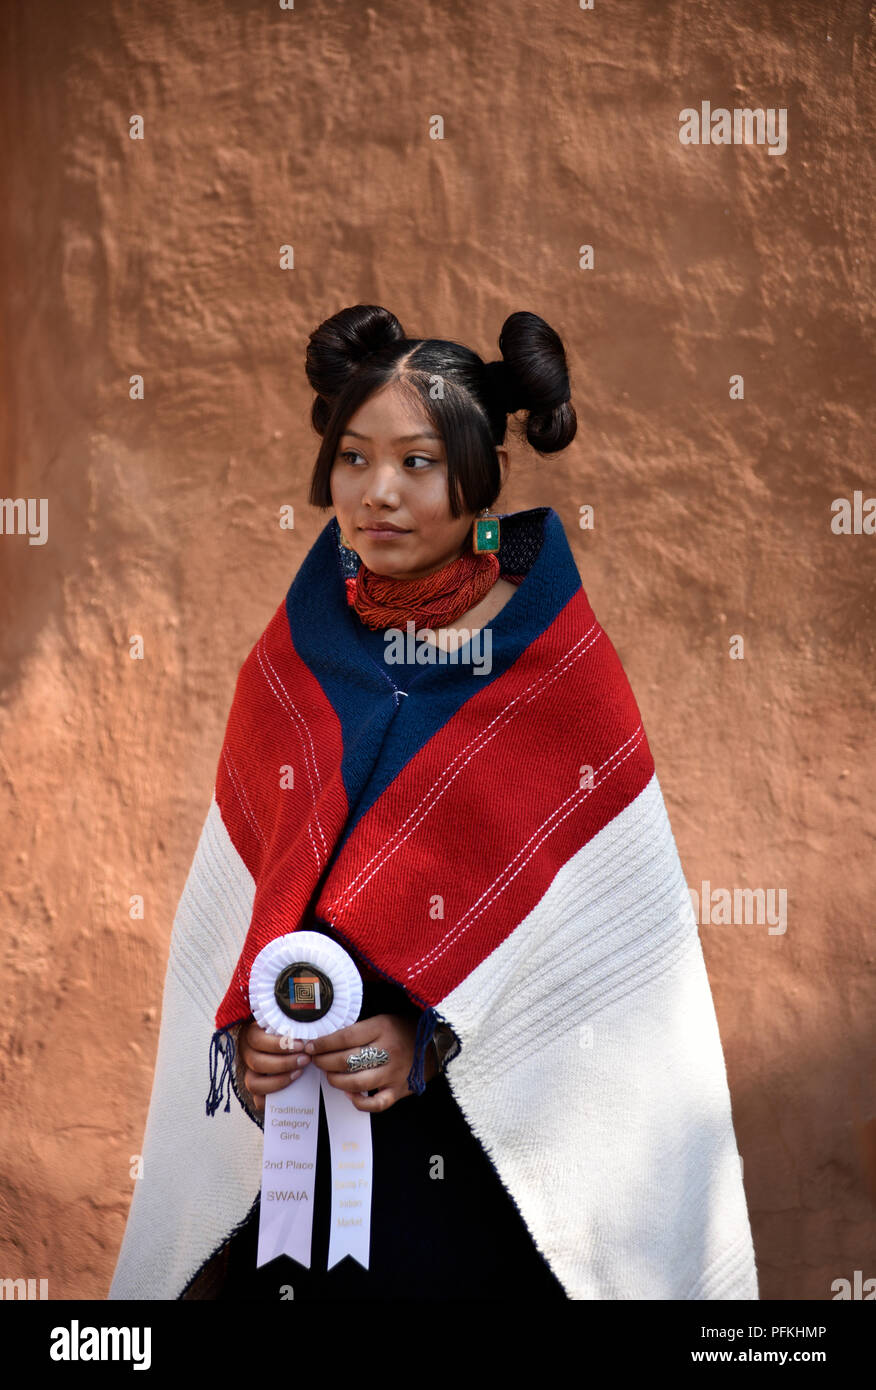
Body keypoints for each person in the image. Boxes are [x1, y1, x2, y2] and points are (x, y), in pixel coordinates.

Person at [109, 304, 759, 1302]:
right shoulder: (296, 653)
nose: (379, 493)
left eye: (418, 462)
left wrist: (429, 1036)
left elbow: (594, 967)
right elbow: (250, 893)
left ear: (480, 475)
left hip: (481, 1159)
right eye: (354, 458)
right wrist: (244, 1026)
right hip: (300, 1151)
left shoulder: (557, 671)